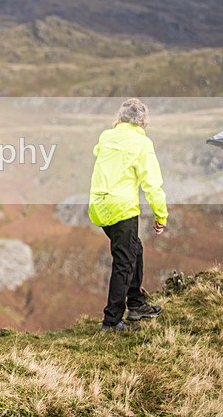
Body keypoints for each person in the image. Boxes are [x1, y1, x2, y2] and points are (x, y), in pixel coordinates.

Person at [88, 98, 168, 332]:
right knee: (124, 262)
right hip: (122, 208)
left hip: (99, 205)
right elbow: (152, 184)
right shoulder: (142, 143)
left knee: (134, 250)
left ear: (120, 117)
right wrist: (161, 215)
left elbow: (97, 151)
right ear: (143, 121)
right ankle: (112, 321)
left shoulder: (106, 136)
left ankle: (136, 303)